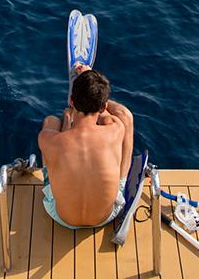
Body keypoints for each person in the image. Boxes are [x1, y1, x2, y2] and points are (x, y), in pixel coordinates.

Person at [37, 64, 134, 228]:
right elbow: (120, 114)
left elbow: (63, 139)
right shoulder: (116, 130)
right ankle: (122, 180)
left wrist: (68, 118)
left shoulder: (48, 140)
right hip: (106, 216)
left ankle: (69, 117)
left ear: (71, 100)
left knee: (51, 121)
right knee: (126, 117)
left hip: (61, 217)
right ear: (103, 106)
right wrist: (91, 80)